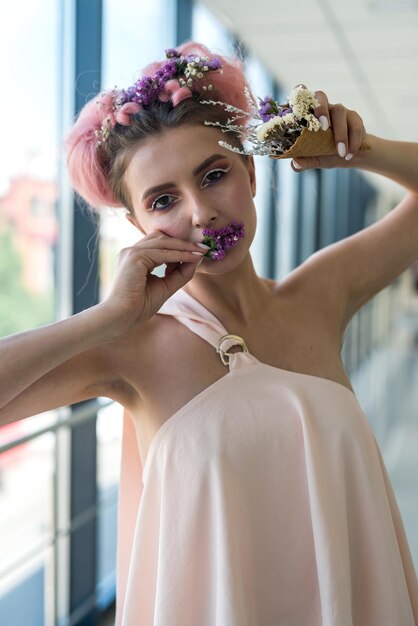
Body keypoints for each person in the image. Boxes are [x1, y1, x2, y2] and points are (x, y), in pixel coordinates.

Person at [1, 40, 418, 625]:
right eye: (164, 200)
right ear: (138, 225)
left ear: (250, 172)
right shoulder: (128, 348)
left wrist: (356, 149)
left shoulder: (320, 294)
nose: (201, 213)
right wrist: (104, 319)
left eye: (215, 174)